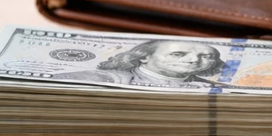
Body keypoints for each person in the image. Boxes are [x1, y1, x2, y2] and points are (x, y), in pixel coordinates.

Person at [57, 40, 225, 88]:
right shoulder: (100, 78)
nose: (194, 60)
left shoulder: (215, 87)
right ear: (144, 57)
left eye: (206, 56)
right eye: (177, 54)